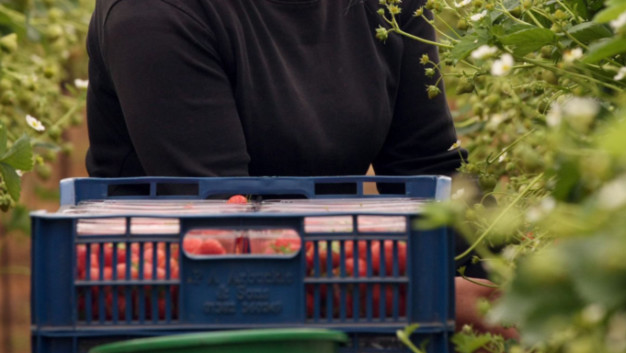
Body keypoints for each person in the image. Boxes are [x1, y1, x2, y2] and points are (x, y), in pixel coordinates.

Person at [84, 0, 499, 329]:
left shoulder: (389, 8)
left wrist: (517, 284)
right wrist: (434, 299)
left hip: (348, 298)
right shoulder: (155, 13)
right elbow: (226, 233)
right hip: (180, 322)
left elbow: (429, 167)